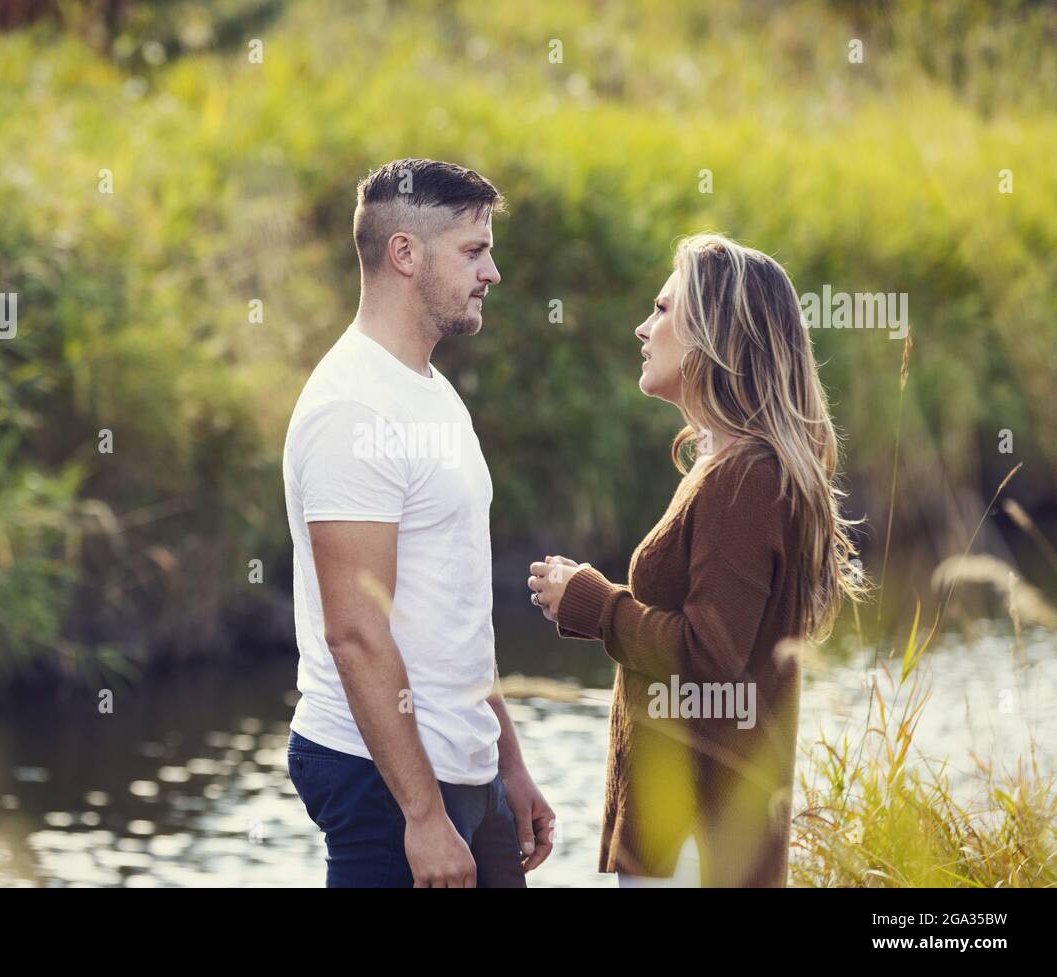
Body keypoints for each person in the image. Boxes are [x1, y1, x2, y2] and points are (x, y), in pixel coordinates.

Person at [528, 233, 868, 887]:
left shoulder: (743, 478)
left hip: (695, 848)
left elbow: (710, 652)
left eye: (661, 309)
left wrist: (595, 604)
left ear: (713, 334)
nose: (642, 327)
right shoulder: (732, 466)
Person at [283, 158, 554, 887]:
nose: (491, 272)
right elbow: (356, 632)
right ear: (404, 253)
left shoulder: (432, 393)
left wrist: (508, 764)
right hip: (382, 781)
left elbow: (455, 607)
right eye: (473, 250)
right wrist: (425, 817)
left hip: (463, 767)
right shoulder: (352, 409)